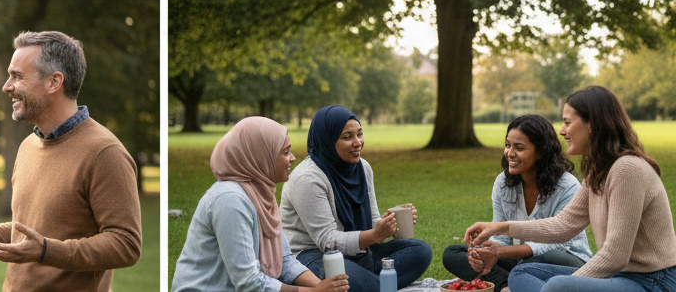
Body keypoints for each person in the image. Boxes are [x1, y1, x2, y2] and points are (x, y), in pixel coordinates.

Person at [0, 30, 141, 292]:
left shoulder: (104, 152)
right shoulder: (28, 146)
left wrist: (46, 250)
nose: (6, 86)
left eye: (17, 76)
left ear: (54, 82)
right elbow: (27, 233)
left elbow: (126, 244)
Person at [466, 86, 676, 292]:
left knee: (558, 285)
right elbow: (564, 225)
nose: (562, 130)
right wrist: (501, 227)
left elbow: (615, 256)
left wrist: (567, 287)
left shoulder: (627, 169)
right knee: (522, 273)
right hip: (620, 276)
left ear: (592, 125)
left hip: (653, 282)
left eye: (567, 122)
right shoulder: (598, 170)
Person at [172, 116, 349, 292]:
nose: (293, 158)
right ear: (262, 155)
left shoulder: (261, 194)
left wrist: (323, 287)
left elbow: (285, 260)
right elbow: (249, 283)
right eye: (285, 152)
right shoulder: (229, 200)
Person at [280, 104, 433, 291]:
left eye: (359, 134)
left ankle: (368, 281)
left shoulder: (363, 168)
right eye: (347, 137)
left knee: (421, 251)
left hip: (359, 252)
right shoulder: (308, 179)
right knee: (378, 284)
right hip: (313, 256)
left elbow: (371, 222)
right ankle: (372, 282)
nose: (358, 142)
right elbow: (328, 242)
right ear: (327, 140)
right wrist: (375, 234)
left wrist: (387, 224)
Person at [443, 115, 592, 292]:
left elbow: (558, 242)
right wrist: (486, 251)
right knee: (453, 254)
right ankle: (509, 286)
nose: (510, 153)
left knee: (538, 258)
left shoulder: (567, 186)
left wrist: (501, 252)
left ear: (540, 152)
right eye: (508, 145)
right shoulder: (503, 183)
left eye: (519, 148)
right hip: (521, 260)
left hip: (565, 260)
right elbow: (501, 236)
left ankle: (509, 282)